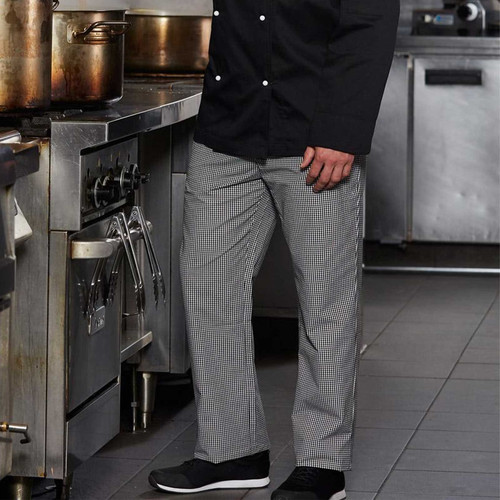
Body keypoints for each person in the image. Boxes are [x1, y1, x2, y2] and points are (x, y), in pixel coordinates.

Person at [149, 0, 399, 498]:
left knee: (326, 302)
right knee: (209, 287)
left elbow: (370, 20)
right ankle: (232, 450)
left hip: (315, 136)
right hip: (228, 128)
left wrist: (342, 130)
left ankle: (322, 464)